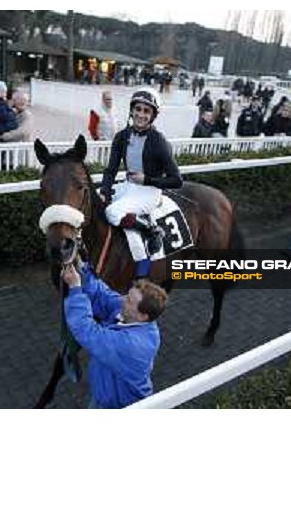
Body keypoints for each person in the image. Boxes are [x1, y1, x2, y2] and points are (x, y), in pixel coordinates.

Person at [100, 88, 183, 278]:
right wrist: (104, 189)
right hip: (129, 187)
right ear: (132, 110)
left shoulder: (159, 141)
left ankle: (151, 231)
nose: (141, 114)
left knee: (112, 212)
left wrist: (147, 179)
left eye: (147, 111)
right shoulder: (122, 136)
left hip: (149, 192)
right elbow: (111, 170)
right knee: (97, 199)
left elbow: (177, 180)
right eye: (138, 109)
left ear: (153, 116)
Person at [62, 262, 168, 409]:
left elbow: (86, 330)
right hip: (107, 394)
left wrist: (75, 288)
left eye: (129, 301)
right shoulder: (134, 317)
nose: (122, 299)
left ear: (143, 316)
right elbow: (105, 296)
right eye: (127, 295)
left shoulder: (132, 344)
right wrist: (84, 270)